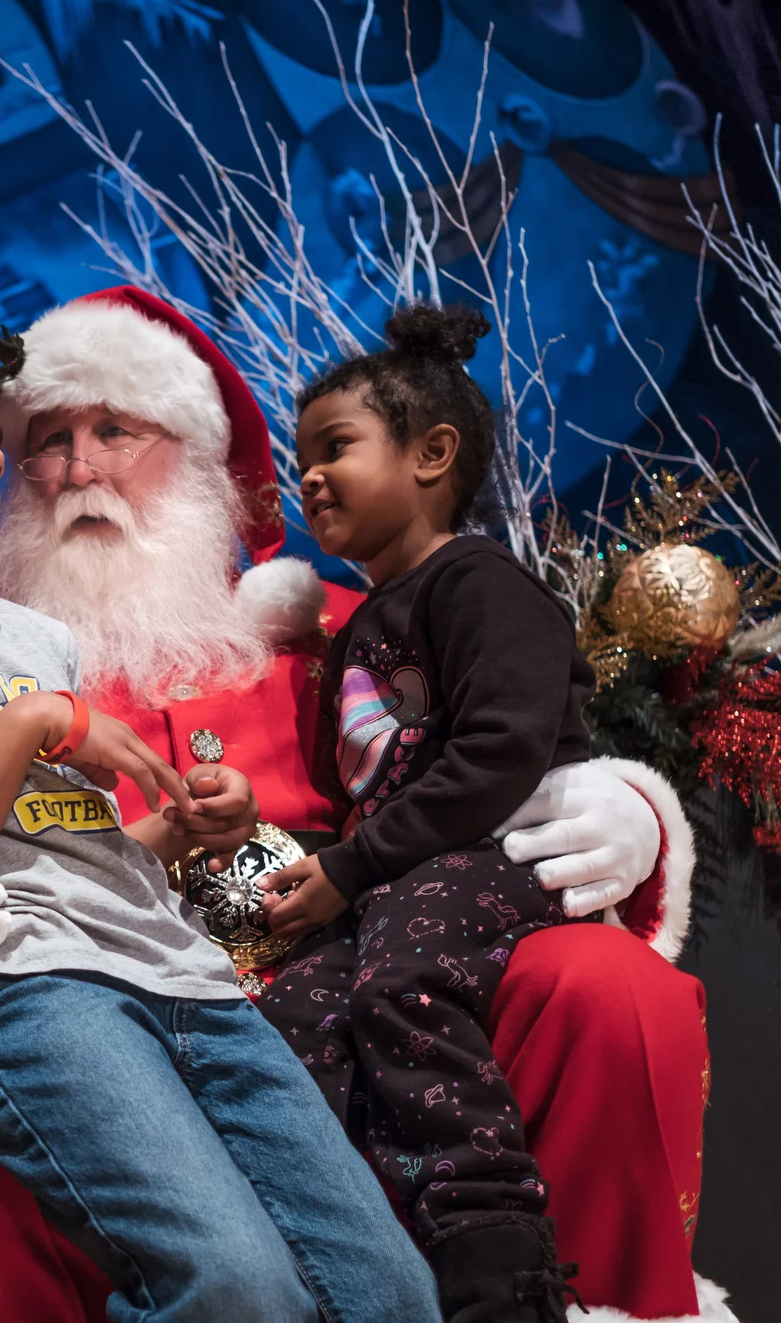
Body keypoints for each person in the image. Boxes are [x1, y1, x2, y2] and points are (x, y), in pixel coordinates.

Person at [0, 288, 721, 1323]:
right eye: (48, 440)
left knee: (602, 987)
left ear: (203, 457)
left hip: (340, 959)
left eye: (115, 430)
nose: (76, 466)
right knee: (93, 1220)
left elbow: (483, 735)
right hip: (67, 984)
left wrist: (615, 802)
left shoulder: (339, 630)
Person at [0, 316, 442, 1321]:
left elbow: (68, 851)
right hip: (21, 991)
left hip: (184, 974)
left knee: (390, 1288)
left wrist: (183, 828)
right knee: (234, 1286)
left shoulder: (29, 636)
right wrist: (29, 724)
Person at [250, 303, 591, 1321]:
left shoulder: (479, 583)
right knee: (295, 1015)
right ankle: (343, 1263)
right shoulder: (359, 630)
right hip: (398, 875)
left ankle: (496, 1263)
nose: (309, 477)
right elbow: (354, 793)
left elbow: (499, 754)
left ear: (431, 454)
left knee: (402, 979)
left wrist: (352, 870)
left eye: (335, 448)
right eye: (301, 459)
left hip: (496, 851)